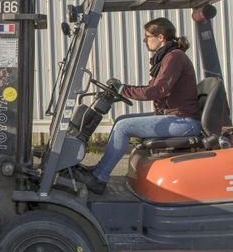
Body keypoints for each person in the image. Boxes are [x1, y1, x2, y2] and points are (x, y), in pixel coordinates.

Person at [75, 17, 202, 194]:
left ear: (161, 37)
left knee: (123, 127)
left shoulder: (175, 57)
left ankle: (99, 178)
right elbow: (154, 89)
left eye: (147, 37)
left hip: (183, 122)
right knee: (121, 120)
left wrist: (123, 89)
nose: (145, 41)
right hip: (175, 117)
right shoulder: (167, 57)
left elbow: (157, 91)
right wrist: (122, 89)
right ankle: (99, 170)